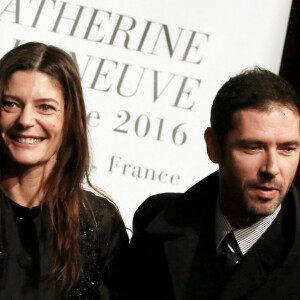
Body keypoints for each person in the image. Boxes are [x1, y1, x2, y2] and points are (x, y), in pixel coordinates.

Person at [130, 68, 300, 300]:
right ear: (213, 146)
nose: (272, 168)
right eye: (253, 147)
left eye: (287, 149)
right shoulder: (156, 221)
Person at [0, 42, 128, 299]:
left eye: (45, 107)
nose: (25, 120)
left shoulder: (98, 223)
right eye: (11, 104)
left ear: (70, 119)